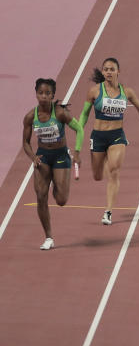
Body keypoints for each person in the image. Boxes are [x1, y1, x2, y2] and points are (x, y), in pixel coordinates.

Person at [77, 58, 139, 226]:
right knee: (98, 176)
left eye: (112, 69)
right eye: (106, 69)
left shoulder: (127, 92)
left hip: (117, 135)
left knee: (114, 170)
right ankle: (105, 160)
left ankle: (108, 211)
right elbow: (84, 114)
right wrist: (79, 129)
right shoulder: (94, 91)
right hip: (98, 136)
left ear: (118, 72)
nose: (109, 72)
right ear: (103, 72)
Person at [21, 78, 83, 250]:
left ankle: (57, 181)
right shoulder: (29, 117)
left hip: (61, 156)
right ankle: (48, 237)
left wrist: (77, 152)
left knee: (61, 200)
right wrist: (33, 157)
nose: (44, 96)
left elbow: (79, 129)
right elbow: (25, 142)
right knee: (41, 195)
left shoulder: (60, 113)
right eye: (41, 93)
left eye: (47, 93)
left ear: (52, 95)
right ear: (36, 94)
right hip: (43, 157)